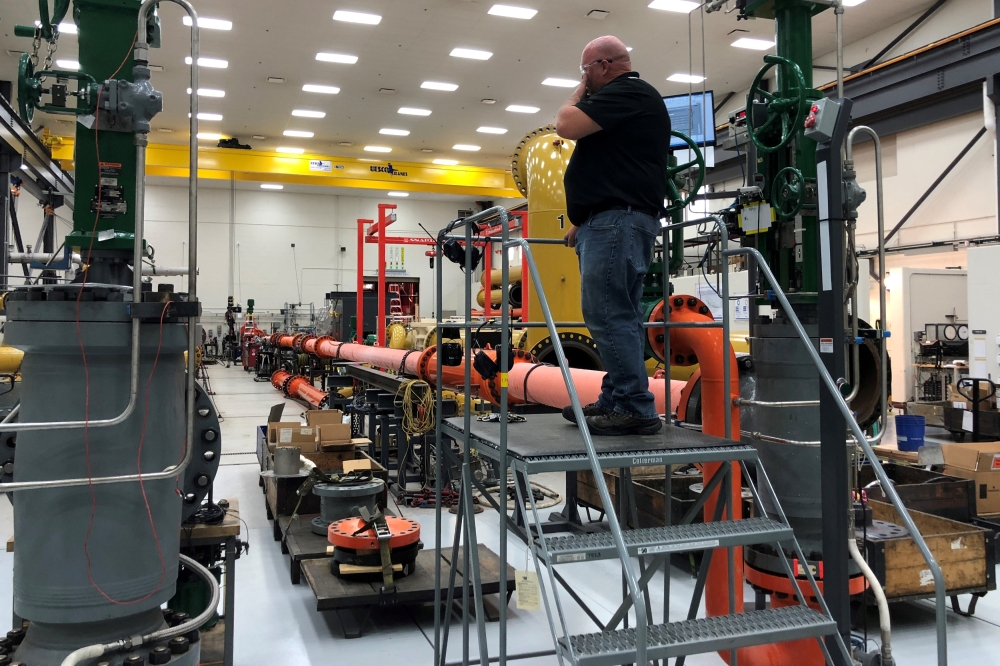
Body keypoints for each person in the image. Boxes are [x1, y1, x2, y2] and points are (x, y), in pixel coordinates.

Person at [556, 35, 671, 436]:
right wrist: (585, 219)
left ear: (603, 66)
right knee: (617, 315)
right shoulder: (626, 101)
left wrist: (582, 87)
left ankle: (636, 406)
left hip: (617, 223)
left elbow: (565, 124)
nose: (584, 79)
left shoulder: (629, 91)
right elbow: (615, 165)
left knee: (608, 314)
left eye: (587, 70)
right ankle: (618, 397)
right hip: (610, 221)